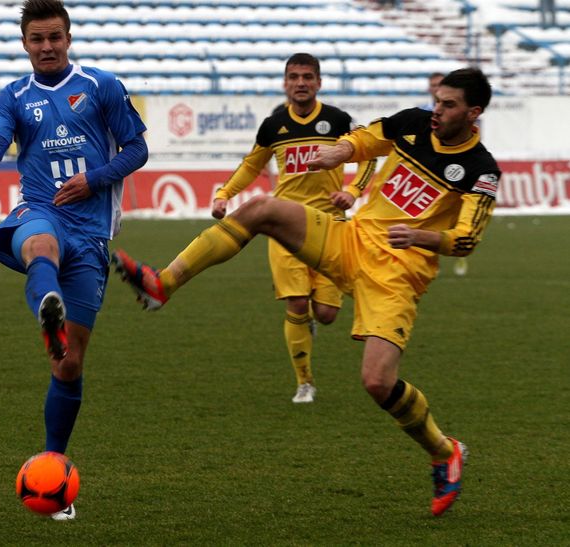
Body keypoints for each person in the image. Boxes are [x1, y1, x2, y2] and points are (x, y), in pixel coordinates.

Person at [113, 67, 500, 517]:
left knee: (377, 382)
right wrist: (336, 153)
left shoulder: (480, 170)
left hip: (396, 275)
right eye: (437, 98)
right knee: (261, 209)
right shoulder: (413, 121)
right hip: (350, 240)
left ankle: (442, 451)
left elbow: (467, 239)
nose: (438, 109)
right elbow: (366, 139)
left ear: (473, 113)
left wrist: (421, 238)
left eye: (449, 104)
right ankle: (163, 284)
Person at [0, 0, 147, 521]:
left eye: (54, 38)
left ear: (68, 39)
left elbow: (136, 150)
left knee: (68, 365)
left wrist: (96, 177)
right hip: (39, 209)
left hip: (91, 231)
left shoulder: (101, 85)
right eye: (36, 39)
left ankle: (53, 464)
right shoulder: (13, 96)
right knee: (38, 243)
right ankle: (48, 301)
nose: (46, 47)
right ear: (24, 43)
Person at [212, 53, 375, 404]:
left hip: (330, 226)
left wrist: (352, 191)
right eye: (294, 77)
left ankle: (312, 325)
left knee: (327, 314)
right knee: (297, 304)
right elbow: (251, 165)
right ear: (285, 83)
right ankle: (305, 382)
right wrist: (225, 193)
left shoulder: (338, 120)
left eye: (307, 77)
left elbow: (367, 157)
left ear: (318, 83)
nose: (300, 83)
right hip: (285, 226)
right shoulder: (273, 126)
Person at [420, 72, 469, 277]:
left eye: (439, 84)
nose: (435, 88)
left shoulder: (460, 116)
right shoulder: (422, 113)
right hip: (426, 172)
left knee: (450, 220)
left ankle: (457, 255)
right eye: (432, 85)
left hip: (450, 174)